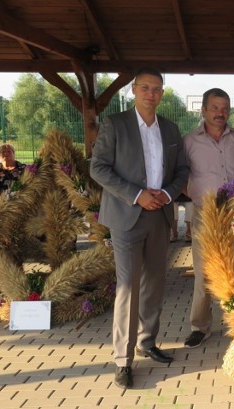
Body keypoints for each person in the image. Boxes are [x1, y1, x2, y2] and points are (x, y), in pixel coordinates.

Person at [90, 68, 189, 389]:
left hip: (160, 215)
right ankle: (123, 359)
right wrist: (136, 194)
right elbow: (98, 168)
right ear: (134, 90)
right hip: (126, 216)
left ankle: (147, 341)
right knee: (128, 287)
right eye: (145, 87)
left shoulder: (172, 130)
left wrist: (169, 194)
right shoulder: (115, 125)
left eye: (157, 89)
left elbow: (183, 170)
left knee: (155, 284)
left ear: (162, 93)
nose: (151, 93)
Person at [183, 88, 234, 348]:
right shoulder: (189, 142)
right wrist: (195, 195)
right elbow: (180, 176)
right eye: (214, 107)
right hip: (205, 214)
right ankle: (199, 327)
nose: (220, 113)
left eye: (224, 108)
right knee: (204, 272)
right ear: (203, 110)